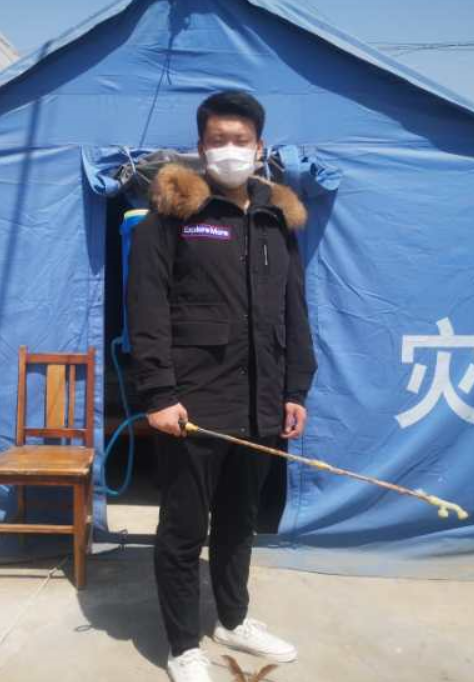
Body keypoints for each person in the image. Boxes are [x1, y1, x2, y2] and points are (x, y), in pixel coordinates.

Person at [126, 90, 317, 682]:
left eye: (241, 140)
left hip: (260, 402)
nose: (229, 150)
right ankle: (183, 644)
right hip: (192, 403)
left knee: (239, 521)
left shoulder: (275, 220)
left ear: (260, 148)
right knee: (184, 528)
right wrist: (159, 394)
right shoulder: (174, 216)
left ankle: (233, 619)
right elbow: (147, 307)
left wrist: (295, 388)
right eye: (218, 140)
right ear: (201, 146)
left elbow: (294, 309)